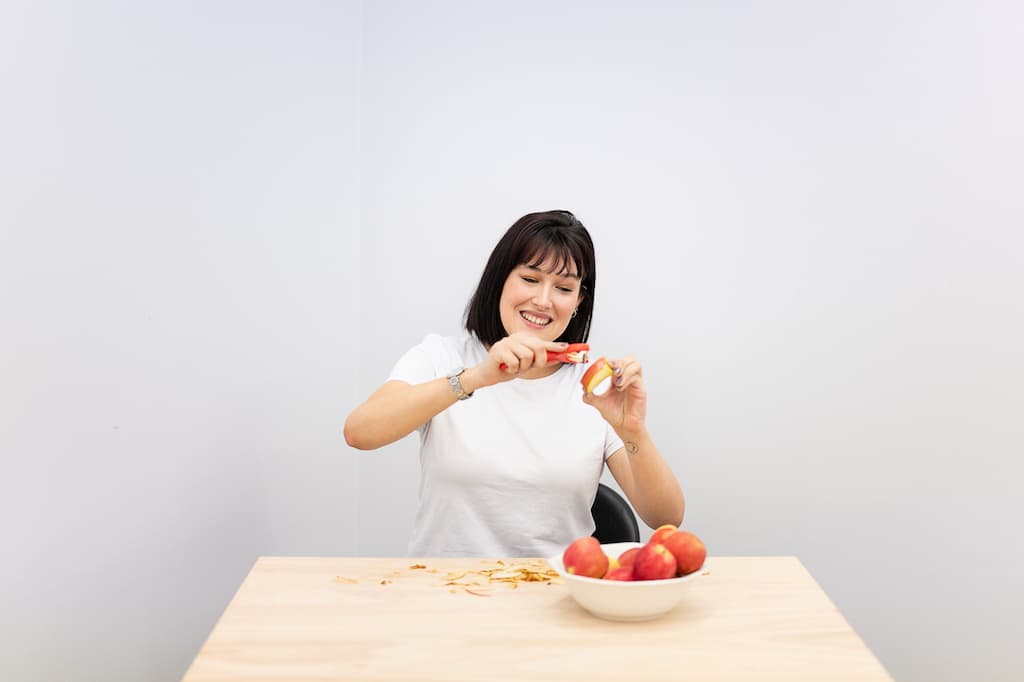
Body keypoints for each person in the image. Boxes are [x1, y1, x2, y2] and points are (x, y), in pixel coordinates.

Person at [344, 210, 684, 557]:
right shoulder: (440, 356)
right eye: (530, 279)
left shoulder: (597, 388)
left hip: (556, 595)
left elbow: (666, 517)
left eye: (564, 288)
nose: (543, 300)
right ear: (500, 280)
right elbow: (360, 432)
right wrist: (479, 376)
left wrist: (632, 430)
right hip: (444, 594)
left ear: (578, 302)